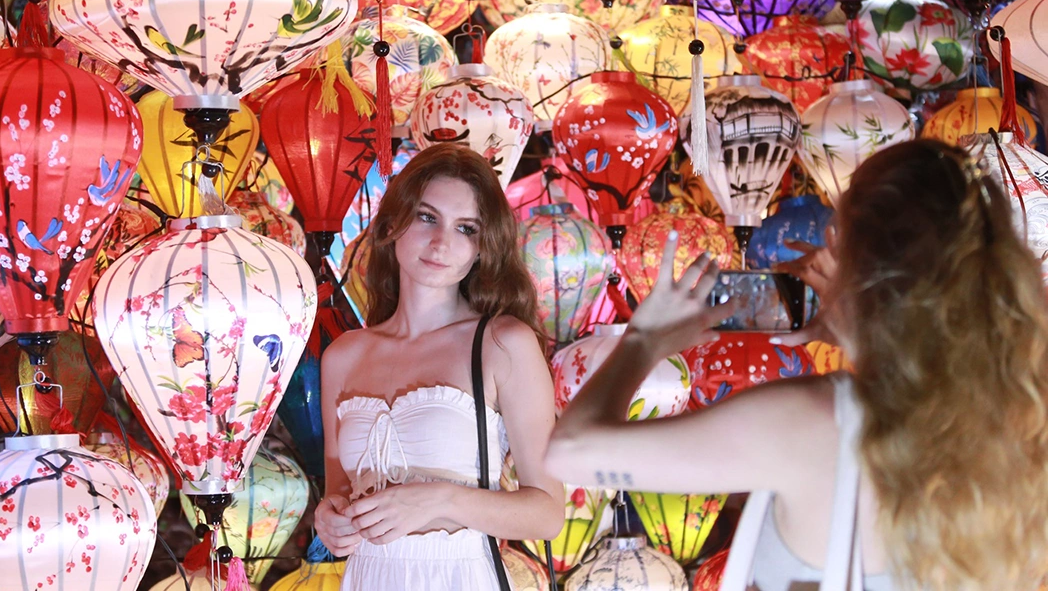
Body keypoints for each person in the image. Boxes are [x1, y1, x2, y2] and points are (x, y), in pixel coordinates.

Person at [546, 139, 1048, 590]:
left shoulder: (812, 421)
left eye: (835, 235)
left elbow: (569, 453)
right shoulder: (1021, 419)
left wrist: (643, 342)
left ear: (852, 260)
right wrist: (863, 329)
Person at [314, 143, 564, 590]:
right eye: (428, 217)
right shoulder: (344, 355)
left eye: (466, 228)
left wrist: (438, 499)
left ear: (482, 249)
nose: (442, 242)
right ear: (393, 224)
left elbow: (547, 514)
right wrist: (329, 520)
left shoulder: (503, 343)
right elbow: (340, 493)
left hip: (459, 575)